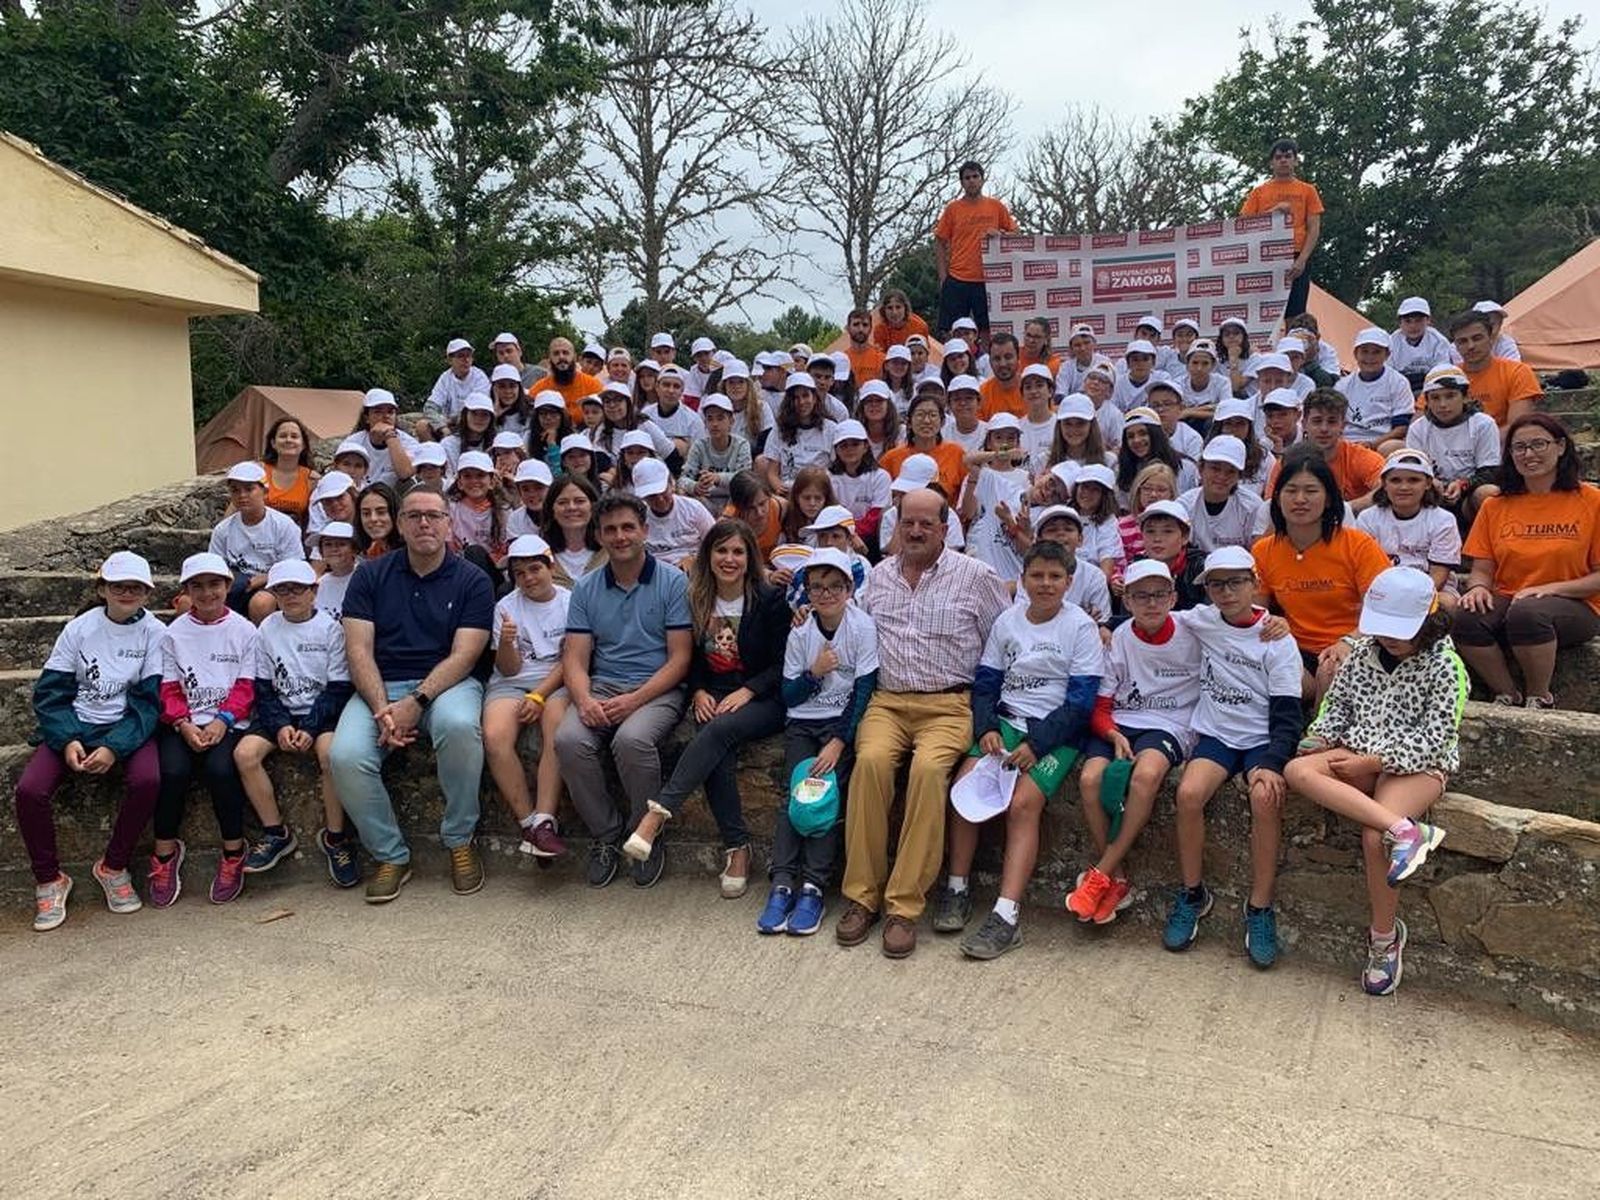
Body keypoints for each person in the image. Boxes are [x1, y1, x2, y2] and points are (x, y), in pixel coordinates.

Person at [836, 488, 1010, 958]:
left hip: (949, 704)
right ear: (896, 525)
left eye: (925, 524)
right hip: (888, 703)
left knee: (929, 772)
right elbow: (854, 634)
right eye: (907, 522)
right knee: (869, 763)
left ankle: (903, 906)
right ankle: (861, 897)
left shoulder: (977, 576)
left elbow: (1004, 640)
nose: (915, 531)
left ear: (945, 526)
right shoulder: (877, 577)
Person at [1287, 566, 1465, 996]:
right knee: (1297, 769)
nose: (1387, 638)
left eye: (1397, 630)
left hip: (1417, 764)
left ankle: (1384, 939)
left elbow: (1436, 737)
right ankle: (1406, 830)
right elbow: (1337, 707)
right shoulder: (1364, 653)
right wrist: (1321, 737)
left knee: (1374, 838)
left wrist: (1375, 762)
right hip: (1357, 752)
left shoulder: (1447, 665)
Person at [936, 541, 1102, 959]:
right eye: (1037, 576)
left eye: (1055, 577)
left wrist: (1036, 744)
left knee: (1024, 805)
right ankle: (957, 888)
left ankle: (1006, 916)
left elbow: (1080, 704)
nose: (1045, 584)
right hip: (1007, 722)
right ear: (1023, 578)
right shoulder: (1007, 621)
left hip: (1055, 733)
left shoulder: (1079, 628)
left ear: (1069, 581)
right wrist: (988, 727)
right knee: (963, 790)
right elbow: (987, 681)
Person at [330, 484, 495, 904]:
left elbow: (466, 655)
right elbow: (358, 649)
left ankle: (459, 839)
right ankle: (392, 855)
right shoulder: (370, 575)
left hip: (447, 685)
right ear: (399, 525)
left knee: (459, 726)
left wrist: (415, 703)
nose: (425, 523)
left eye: (434, 516)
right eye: (414, 515)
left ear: (448, 523)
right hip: (381, 687)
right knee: (345, 755)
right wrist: (384, 708)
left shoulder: (472, 580)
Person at [623, 519, 790, 895]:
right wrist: (697, 690)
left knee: (716, 730)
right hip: (714, 691)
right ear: (708, 555)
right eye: (721, 550)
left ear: (750, 558)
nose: (729, 559)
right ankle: (738, 849)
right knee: (716, 752)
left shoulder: (769, 599)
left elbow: (785, 662)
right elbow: (692, 656)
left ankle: (655, 815)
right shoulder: (695, 595)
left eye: (737, 551)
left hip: (764, 697)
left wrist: (749, 690)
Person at [1164, 546, 1305, 968]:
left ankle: (1259, 907)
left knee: (1265, 797)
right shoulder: (1202, 619)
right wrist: (1102, 627)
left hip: (1261, 738)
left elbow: (1287, 714)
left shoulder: (1278, 640)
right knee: (1188, 794)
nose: (1226, 592)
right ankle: (1192, 893)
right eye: (1216, 584)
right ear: (1206, 589)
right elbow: (1150, 617)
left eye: (1236, 582)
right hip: (1217, 733)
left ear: (1254, 584)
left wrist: (1275, 763)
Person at [15, 552, 163, 930]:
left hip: (127, 727)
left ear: (147, 593)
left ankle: (113, 867)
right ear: (103, 589)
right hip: (76, 724)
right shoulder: (79, 629)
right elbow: (51, 694)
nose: (127, 593)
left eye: (135, 587)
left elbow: (148, 704)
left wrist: (115, 746)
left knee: (148, 780)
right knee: (31, 789)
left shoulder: (155, 634)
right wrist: (66, 739)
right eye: (118, 586)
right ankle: (49, 879)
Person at [555, 492, 692, 888]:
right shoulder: (586, 588)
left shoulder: (672, 581)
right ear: (599, 535)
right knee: (567, 739)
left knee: (632, 740)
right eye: (611, 529)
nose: (620, 536)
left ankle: (644, 832)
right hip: (604, 684)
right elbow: (576, 659)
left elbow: (679, 659)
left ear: (645, 531)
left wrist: (635, 700)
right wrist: (583, 700)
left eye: (628, 527)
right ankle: (606, 834)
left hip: (658, 687)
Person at [1067, 559, 1197, 925]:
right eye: (1141, 596)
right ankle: (1118, 876)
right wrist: (1112, 734)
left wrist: (1274, 622)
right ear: (1128, 601)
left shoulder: (1194, 626)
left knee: (1146, 775)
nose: (1151, 603)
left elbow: (1243, 613)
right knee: (1090, 779)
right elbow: (1102, 704)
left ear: (1173, 597)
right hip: (1121, 722)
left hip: (1171, 723)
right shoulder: (1120, 637)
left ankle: (1101, 872)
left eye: (1159, 595)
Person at [758, 549, 880, 936]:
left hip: (838, 725)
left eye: (833, 587)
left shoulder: (862, 628)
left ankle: (813, 886)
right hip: (803, 724)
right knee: (795, 797)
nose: (825, 594)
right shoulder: (801, 632)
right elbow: (790, 695)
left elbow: (863, 690)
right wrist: (814, 673)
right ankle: (781, 882)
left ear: (849, 589)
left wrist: (840, 742)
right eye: (816, 588)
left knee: (823, 799)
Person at [1453, 414, 1600, 709]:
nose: (1529, 454)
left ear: (1560, 447)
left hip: (1579, 603)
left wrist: (1552, 589)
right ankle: (1506, 692)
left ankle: (1539, 695)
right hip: (1510, 595)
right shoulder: (1495, 505)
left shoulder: (1591, 500)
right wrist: (1477, 589)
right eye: (1519, 447)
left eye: (1538, 444)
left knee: (1528, 612)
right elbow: (1482, 570)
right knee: (1465, 618)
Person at [150, 552, 260, 908]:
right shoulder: (173, 634)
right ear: (186, 591)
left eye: (215, 584)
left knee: (220, 769)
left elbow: (246, 684)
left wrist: (221, 721)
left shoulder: (245, 630)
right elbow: (167, 687)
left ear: (228, 587)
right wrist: (182, 724)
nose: (207, 593)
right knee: (171, 770)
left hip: (227, 721)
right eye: (198, 586)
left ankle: (233, 850)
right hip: (183, 722)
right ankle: (165, 855)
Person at [234, 559, 355, 883]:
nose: (290, 596)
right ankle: (276, 832)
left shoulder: (331, 629)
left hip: (320, 713)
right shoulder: (267, 630)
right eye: (282, 590)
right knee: (245, 754)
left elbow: (338, 687)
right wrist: (281, 725)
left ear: (313, 592)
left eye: (298, 589)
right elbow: (262, 686)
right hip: (281, 713)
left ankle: (335, 836)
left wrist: (310, 727)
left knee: (330, 754)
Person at [1254, 448, 1391, 699]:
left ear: (1328, 498)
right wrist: (1275, 624)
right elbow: (1255, 613)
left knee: (1331, 667)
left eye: (1311, 491)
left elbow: (1384, 608)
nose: (1300, 499)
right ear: (1277, 497)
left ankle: (1319, 733)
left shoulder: (1357, 544)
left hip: (1354, 644)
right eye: (1291, 491)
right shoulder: (1264, 550)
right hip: (1294, 648)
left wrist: (1349, 641)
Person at [482, 534, 571, 861]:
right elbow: (507, 669)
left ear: (550, 567)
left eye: (535, 569)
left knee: (556, 730)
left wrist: (539, 695)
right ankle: (529, 822)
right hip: (512, 681)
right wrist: (506, 642)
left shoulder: (569, 602)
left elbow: (571, 660)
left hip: (555, 681)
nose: (529, 578)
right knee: (494, 736)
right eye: (520, 574)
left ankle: (546, 818)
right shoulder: (505, 607)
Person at [1356, 449, 1462, 609]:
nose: (1404, 487)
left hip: (1429, 589)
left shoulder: (1443, 520)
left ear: (1427, 483)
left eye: (1413, 480)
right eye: (1395, 480)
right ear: (1384, 484)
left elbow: (1439, 575)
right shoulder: (1367, 518)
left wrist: (1410, 598)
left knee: (1446, 603)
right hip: (1381, 588)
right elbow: (1364, 569)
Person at [208, 461, 305, 622]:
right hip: (234, 585)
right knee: (189, 602)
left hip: (274, 584)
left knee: (261, 603)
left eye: (249, 489)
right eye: (235, 490)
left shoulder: (283, 525)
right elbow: (214, 565)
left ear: (264, 492)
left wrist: (265, 578)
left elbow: (294, 565)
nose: (242, 495)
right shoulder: (223, 529)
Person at [933, 160, 1018, 340]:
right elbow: (940, 241)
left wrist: (1000, 234)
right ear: (962, 182)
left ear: (982, 179)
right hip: (958, 278)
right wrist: (943, 277)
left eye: (975, 176)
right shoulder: (953, 209)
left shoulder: (995, 206)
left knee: (989, 332)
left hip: (988, 279)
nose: (971, 181)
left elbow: (1016, 235)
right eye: (967, 178)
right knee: (951, 331)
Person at [1405, 365, 1501, 523]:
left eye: (1450, 396)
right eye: (1435, 398)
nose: (1443, 404)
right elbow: (1411, 469)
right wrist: (1430, 482)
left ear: (1465, 397)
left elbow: (1490, 471)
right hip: (1430, 495)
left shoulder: (1483, 424)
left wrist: (1463, 485)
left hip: (1468, 497)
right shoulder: (1418, 428)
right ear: (1427, 401)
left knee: (1489, 493)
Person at [1240, 137, 1323, 318]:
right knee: (1262, 311)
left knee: (1295, 311)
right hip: (1264, 257)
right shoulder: (1259, 192)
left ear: (1295, 160)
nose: (1283, 160)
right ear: (1271, 163)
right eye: (1278, 157)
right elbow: (1244, 225)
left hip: (1295, 257)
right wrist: (1274, 211)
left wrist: (1302, 260)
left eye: (1287, 156)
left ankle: (1290, 345)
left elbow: (1314, 227)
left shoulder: (1308, 190)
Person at [1267, 388, 1385, 509]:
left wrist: (1344, 510)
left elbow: (1385, 489)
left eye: (1332, 422)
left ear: (1342, 426)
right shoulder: (1287, 462)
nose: (1324, 429)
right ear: (1304, 424)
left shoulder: (1360, 457)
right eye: (1317, 421)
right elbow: (1271, 504)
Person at [958, 412, 1030, 581]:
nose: (1005, 443)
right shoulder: (979, 473)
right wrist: (997, 455)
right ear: (989, 442)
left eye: (1011, 438)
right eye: (998, 438)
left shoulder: (1024, 477)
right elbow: (969, 513)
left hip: (1010, 544)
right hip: (981, 545)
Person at [1447, 310, 1540, 429]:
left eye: (1477, 338)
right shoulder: (1447, 377)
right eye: (1462, 341)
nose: (1471, 346)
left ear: (1491, 338)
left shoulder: (1517, 372)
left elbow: (1517, 428)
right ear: (1455, 346)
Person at [1180, 436, 1270, 553]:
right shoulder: (1184, 505)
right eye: (1215, 469)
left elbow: (1255, 551)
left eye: (1231, 471)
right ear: (1201, 468)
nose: (1222, 477)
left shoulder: (1252, 506)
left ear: (1239, 475)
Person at [880, 391, 966, 502]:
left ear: (943, 421)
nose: (926, 421)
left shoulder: (956, 453)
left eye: (933, 415)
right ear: (909, 422)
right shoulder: (891, 458)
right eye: (920, 415)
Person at [1337, 329, 1414, 453]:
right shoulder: (1342, 385)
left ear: (1387, 355)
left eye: (1376, 352)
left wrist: (1371, 444)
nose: (1370, 357)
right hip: (1348, 442)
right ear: (1356, 354)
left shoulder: (1398, 382)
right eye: (1365, 351)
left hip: (1382, 442)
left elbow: (1402, 427)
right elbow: (1336, 422)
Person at [634, 457, 715, 570]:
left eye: (663, 492)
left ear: (671, 484)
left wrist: (695, 558)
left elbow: (715, 541)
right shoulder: (638, 517)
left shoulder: (693, 508)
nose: (660, 499)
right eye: (652, 496)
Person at [677, 392, 751, 512]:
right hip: (705, 501)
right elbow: (683, 479)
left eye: (720, 418)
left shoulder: (742, 445)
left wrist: (717, 478)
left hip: (734, 502)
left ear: (731, 421)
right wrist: (695, 486)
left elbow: (744, 479)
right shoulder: (699, 446)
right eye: (710, 419)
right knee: (681, 494)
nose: (715, 424)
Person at [542, 473, 607, 586]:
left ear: (593, 506)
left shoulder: (611, 551)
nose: (571, 507)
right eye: (562, 502)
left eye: (579, 501)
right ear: (551, 509)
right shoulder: (540, 553)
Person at [351, 388, 420, 488]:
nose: (386, 416)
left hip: (392, 497)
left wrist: (390, 436)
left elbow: (405, 473)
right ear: (367, 418)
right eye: (378, 412)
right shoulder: (354, 442)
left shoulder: (409, 442)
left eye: (390, 412)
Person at [259, 418, 319, 527]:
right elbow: (235, 508)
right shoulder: (258, 471)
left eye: (294, 436)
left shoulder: (312, 479)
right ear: (273, 443)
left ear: (303, 444)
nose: (288, 440)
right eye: (282, 436)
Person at [423, 338, 491, 432]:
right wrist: (443, 428)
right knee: (422, 426)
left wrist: (451, 420)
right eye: (461, 356)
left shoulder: (479, 377)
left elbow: (477, 408)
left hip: (472, 423)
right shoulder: (445, 378)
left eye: (469, 356)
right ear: (450, 360)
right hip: (448, 425)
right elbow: (430, 407)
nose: (466, 360)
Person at [1388, 297, 1454, 391]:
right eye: (1408, 321)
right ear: (1400, 323)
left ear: (1428, 321)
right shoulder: (1391, 342)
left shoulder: (1439, 341)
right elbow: (1387, 374)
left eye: (1418, 320)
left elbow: (1443, 373)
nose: (1413, 326)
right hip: (1400, 388)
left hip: (1431, 387)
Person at [541, 336, 605, 423]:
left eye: (566, 353)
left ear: (574, 357)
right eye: (556, 353)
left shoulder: (594, 386)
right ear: (550, 358)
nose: (561, 357)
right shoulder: (540, 387)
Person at [1451, 300, 1521, 363]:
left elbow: (1514, 367)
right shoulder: (1457, 346)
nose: (1471, 346)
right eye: (1487, 324)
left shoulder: (1506, 342)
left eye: (1494, 323)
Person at [977, 331, 1024, 419]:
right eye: (997, 359)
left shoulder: (1032, 390)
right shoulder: (982, 394)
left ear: (1018, 358)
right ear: (990, 362)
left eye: (1008, 357)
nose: (1003, 364)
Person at [871, 288, 932, 352]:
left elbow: (924, 354)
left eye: (898, 307)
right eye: (890, 308)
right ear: (883, 310)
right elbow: (880, 356)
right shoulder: (880, 329)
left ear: (905, 308)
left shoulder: (920, 327)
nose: (894, 312)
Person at [355, 482, 403, 559]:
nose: (373, 519)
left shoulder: (412, 550)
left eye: (381, 512)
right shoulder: (372, 552)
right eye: (366, 513)